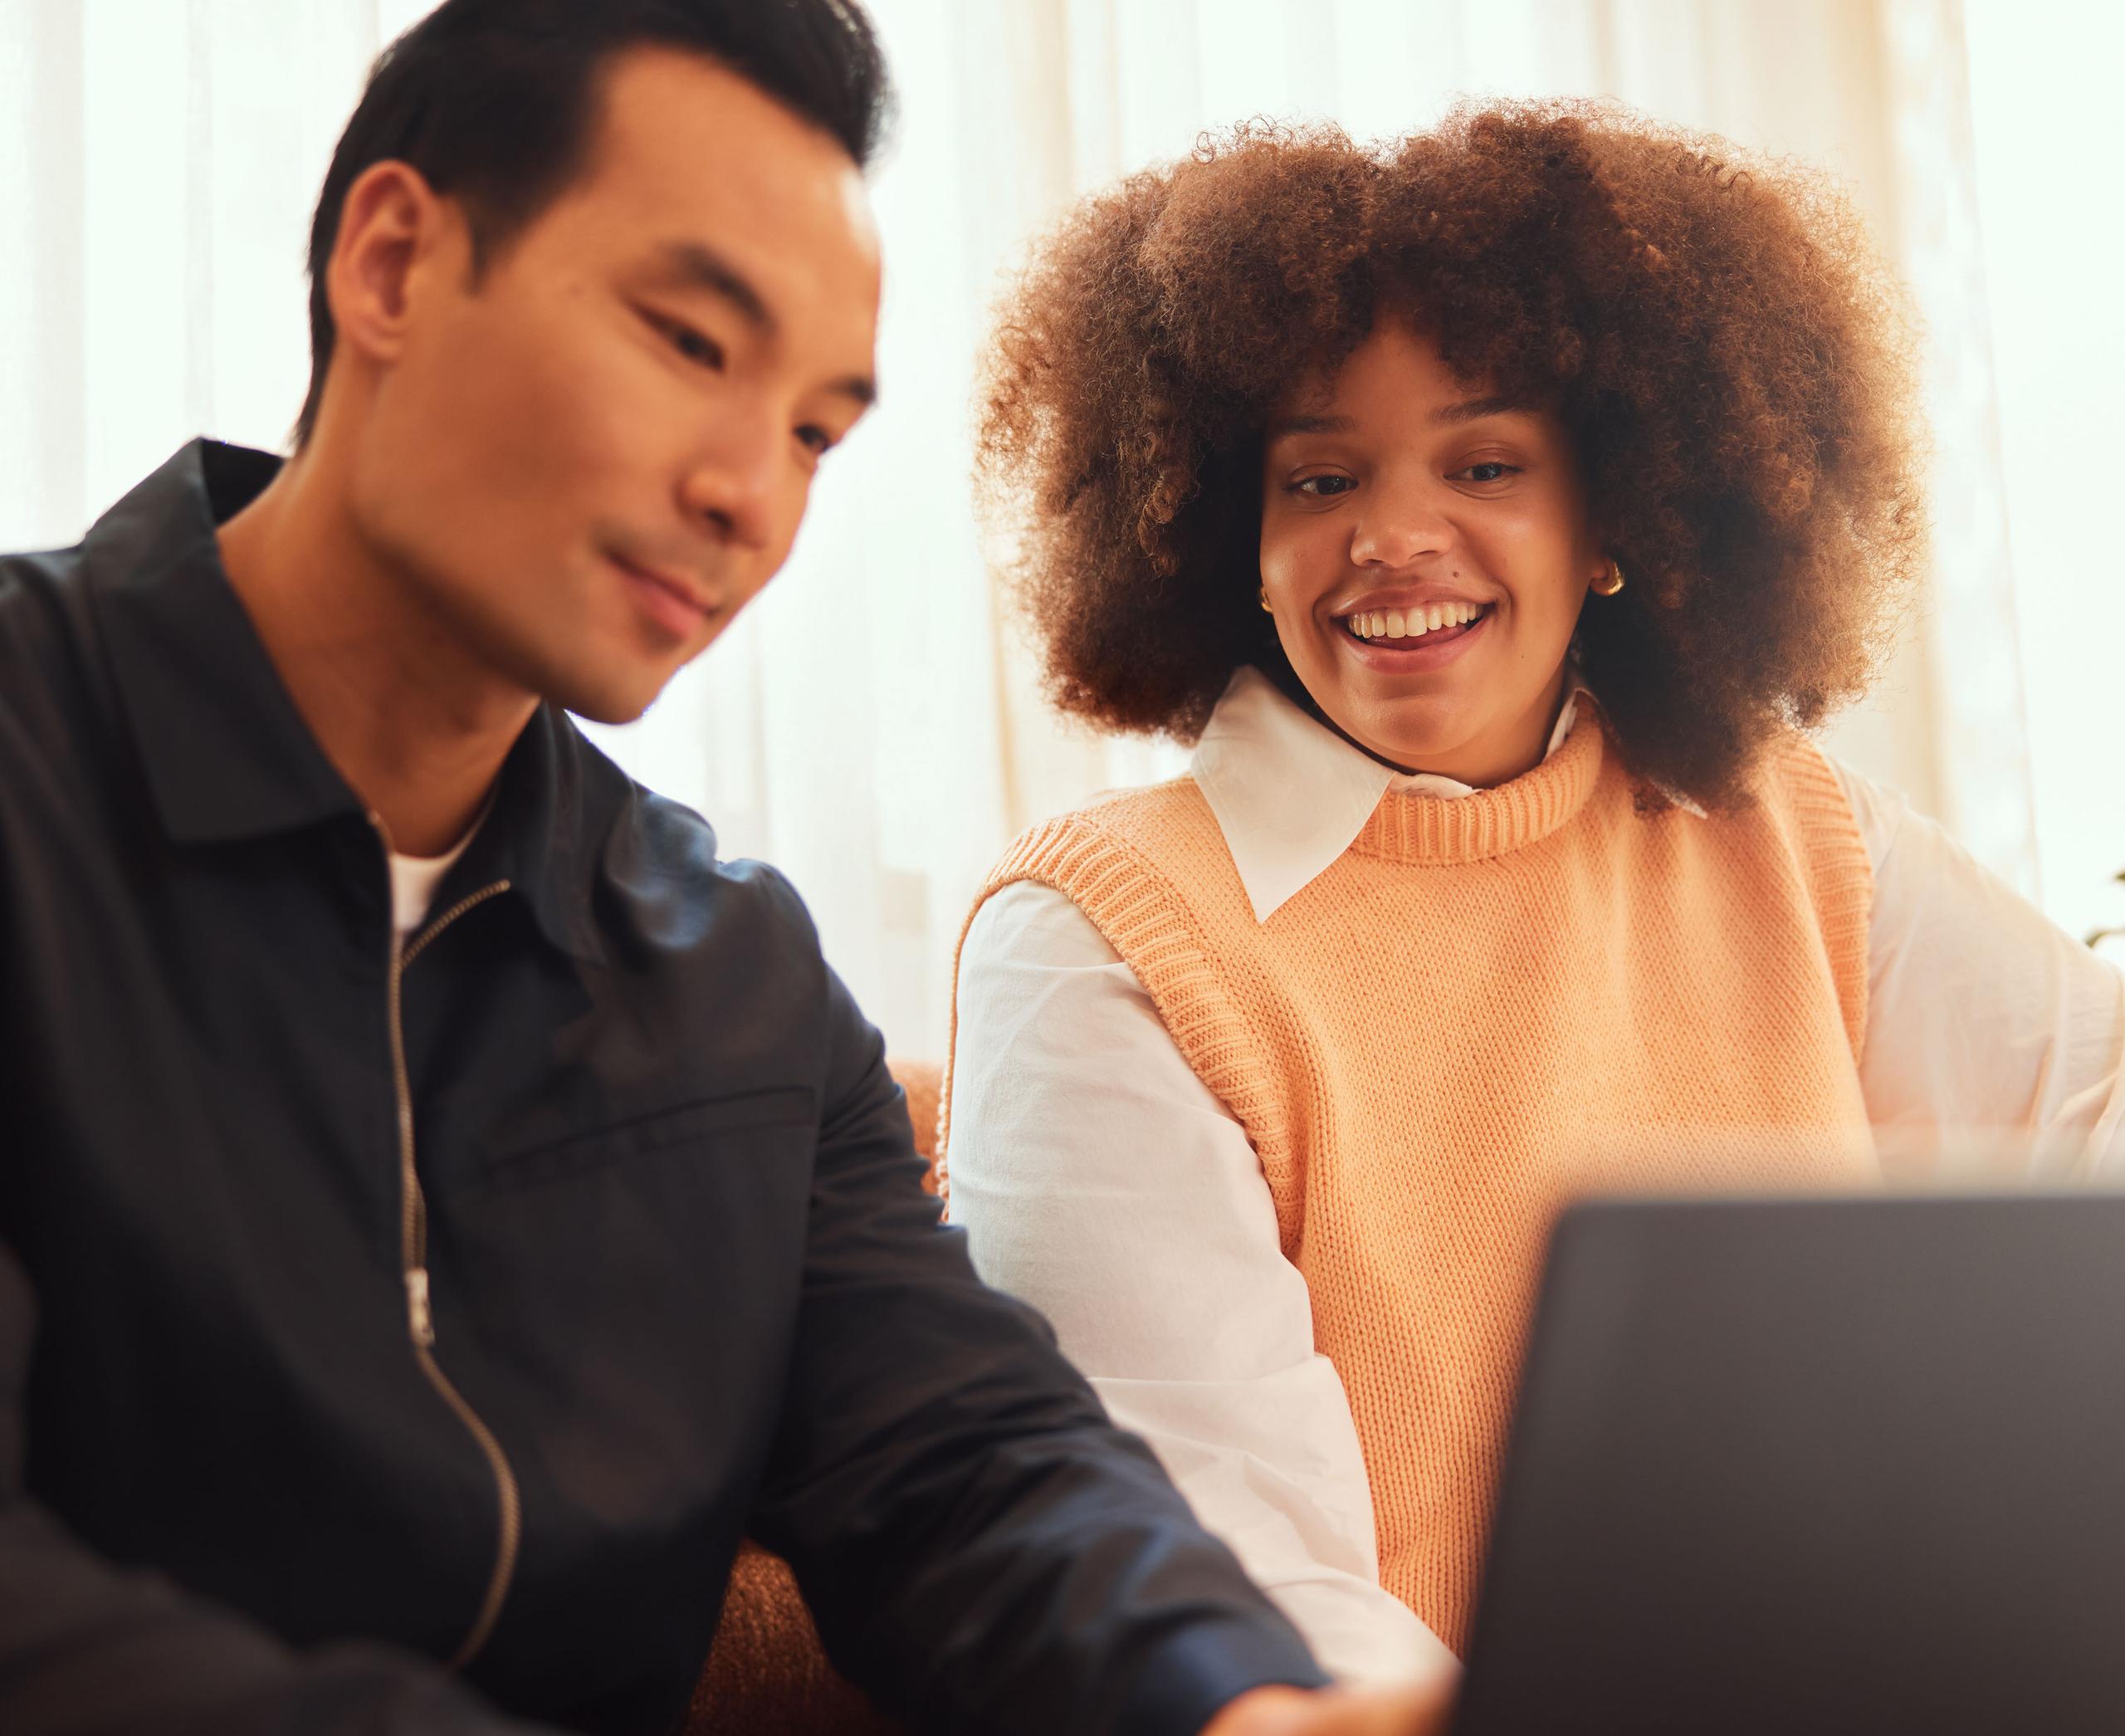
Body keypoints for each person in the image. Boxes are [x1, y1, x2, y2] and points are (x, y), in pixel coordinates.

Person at [0, 5, 1455, 1733]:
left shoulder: (730, 983)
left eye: (815, 432)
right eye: (691, 343)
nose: (748, 496)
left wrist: (1233, 1701)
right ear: (390, 264)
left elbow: (969, 1463)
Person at [943, 105, 2125, 1688]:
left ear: (1618, 515)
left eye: (1484, 461)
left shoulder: (1781, 821)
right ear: (1233, 538)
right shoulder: (1102, 938)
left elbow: (2094, 1120)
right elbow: (1220, 1575)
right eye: (1319, 479)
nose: (1393, 536)